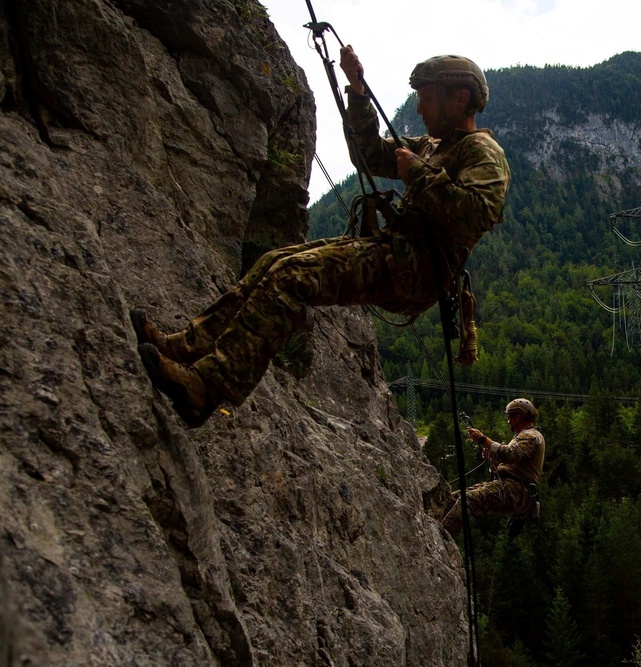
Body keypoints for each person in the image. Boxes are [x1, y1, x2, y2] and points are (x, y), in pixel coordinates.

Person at [132, 48, 510, 427]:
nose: (419, 110)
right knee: (275, 262)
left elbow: (476, 213)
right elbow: (369, 155)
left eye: (427, 98)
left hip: (416, 270)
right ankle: (185, 348)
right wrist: (358, 92)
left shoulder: (483, 152)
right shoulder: (431, 147)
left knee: (291, 277)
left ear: (459, 99)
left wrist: (418, 175)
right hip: (394, 253)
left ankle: (205, 389)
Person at [440, 398, 545, 538]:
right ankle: (436, 529)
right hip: (511, 487)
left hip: (518, 490)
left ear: (518, 417)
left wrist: (484, 440)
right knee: (453, 499)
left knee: (467, 501)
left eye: (510, 417)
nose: (508, 421)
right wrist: (493, 458)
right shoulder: (523, 436)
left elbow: (510, 454)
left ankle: (441, 538)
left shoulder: (530, 436)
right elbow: (511, 464)